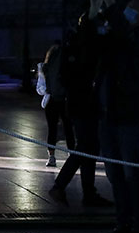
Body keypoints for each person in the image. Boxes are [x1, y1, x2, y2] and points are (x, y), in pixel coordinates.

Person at [88, 0, 139, 233]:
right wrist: (95, 10)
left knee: (130, 172)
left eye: (132, 11)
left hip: (129, 114)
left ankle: (138, 226)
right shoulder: (119, 35)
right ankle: (123, 223)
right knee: (115, 174)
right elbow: (93, 43)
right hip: (108, 113)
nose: (127, 14)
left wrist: (113, 4)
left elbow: (125, 37)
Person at [48, 20, 112, 208]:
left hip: (79, 104)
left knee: (88, 148)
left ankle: (87, 192)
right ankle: (62, 186)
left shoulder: (74, 46)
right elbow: (84, 75)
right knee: (86, 147)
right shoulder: (83, 49)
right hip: (84, 104)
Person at [38, 41, 75, 167]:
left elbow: (40, 88)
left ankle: (51, 157)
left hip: (51, 100)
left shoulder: (44, 67)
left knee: (52, 129)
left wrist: (48, 90)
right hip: (64, 99)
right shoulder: (67, 65)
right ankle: (71, 154)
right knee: (68, 128)